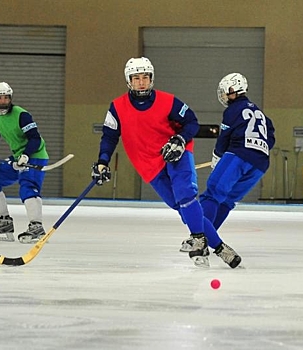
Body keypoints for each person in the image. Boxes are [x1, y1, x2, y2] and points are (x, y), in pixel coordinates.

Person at [91, 57, 241, 268]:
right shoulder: (117, 107)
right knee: (181, 207)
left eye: (145, 77)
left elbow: (191, 122)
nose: (141, 82)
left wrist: (180, 140)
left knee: (186, 195)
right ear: (128, 81)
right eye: (136, 78)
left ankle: (201, 240)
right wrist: (102, 162)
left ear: (151, 78)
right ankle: (219, 246)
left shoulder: (168, 101)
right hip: (148, 165)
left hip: (176, 154)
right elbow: (109, 136)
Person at [182, 73, 274, 249]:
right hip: (261, 163)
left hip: (238, 154)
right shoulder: (260, 113)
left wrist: (217, 157)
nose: (223, 95)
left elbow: (224, 138)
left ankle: (199, 237)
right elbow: (271, 137)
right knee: (227, 200)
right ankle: (208, 236)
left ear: (233, 91)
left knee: (212, 194)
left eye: (225, 92)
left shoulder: (232, 110)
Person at [0, 82, 49, 244]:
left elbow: (35, 139)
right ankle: (5, 223)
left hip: (35, 155)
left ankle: (36, 226)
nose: (3, 101)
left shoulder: (22, 115)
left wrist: (26, 155)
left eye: (6, 98)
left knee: (27, 186)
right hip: (18, 157)